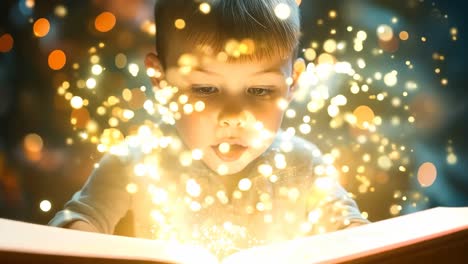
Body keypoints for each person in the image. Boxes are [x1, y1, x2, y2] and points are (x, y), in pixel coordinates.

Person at [49, 0, 368, 257]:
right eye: (205, 89)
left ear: (292, 83)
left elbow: (355, 233)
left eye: (260, 90)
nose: (233, 116)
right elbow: (70, 232)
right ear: (161, 81)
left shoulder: (304, 164)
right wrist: (81, 238)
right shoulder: (135, 162)